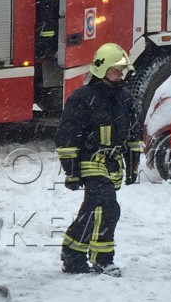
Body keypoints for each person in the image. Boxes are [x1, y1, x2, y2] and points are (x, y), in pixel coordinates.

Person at [57, 43, 142, 277]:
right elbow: (67, 136)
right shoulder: (83, 97)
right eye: (116, 70)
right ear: (101, 69)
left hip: (112, 163)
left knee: (93, 208)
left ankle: (73, 254)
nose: (121, 75)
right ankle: (103, 259)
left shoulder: (124, 96)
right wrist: (72, 170)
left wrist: (133, 163)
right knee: (108, 208)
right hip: (90, 160)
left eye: (122, 71)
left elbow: (133, 133)